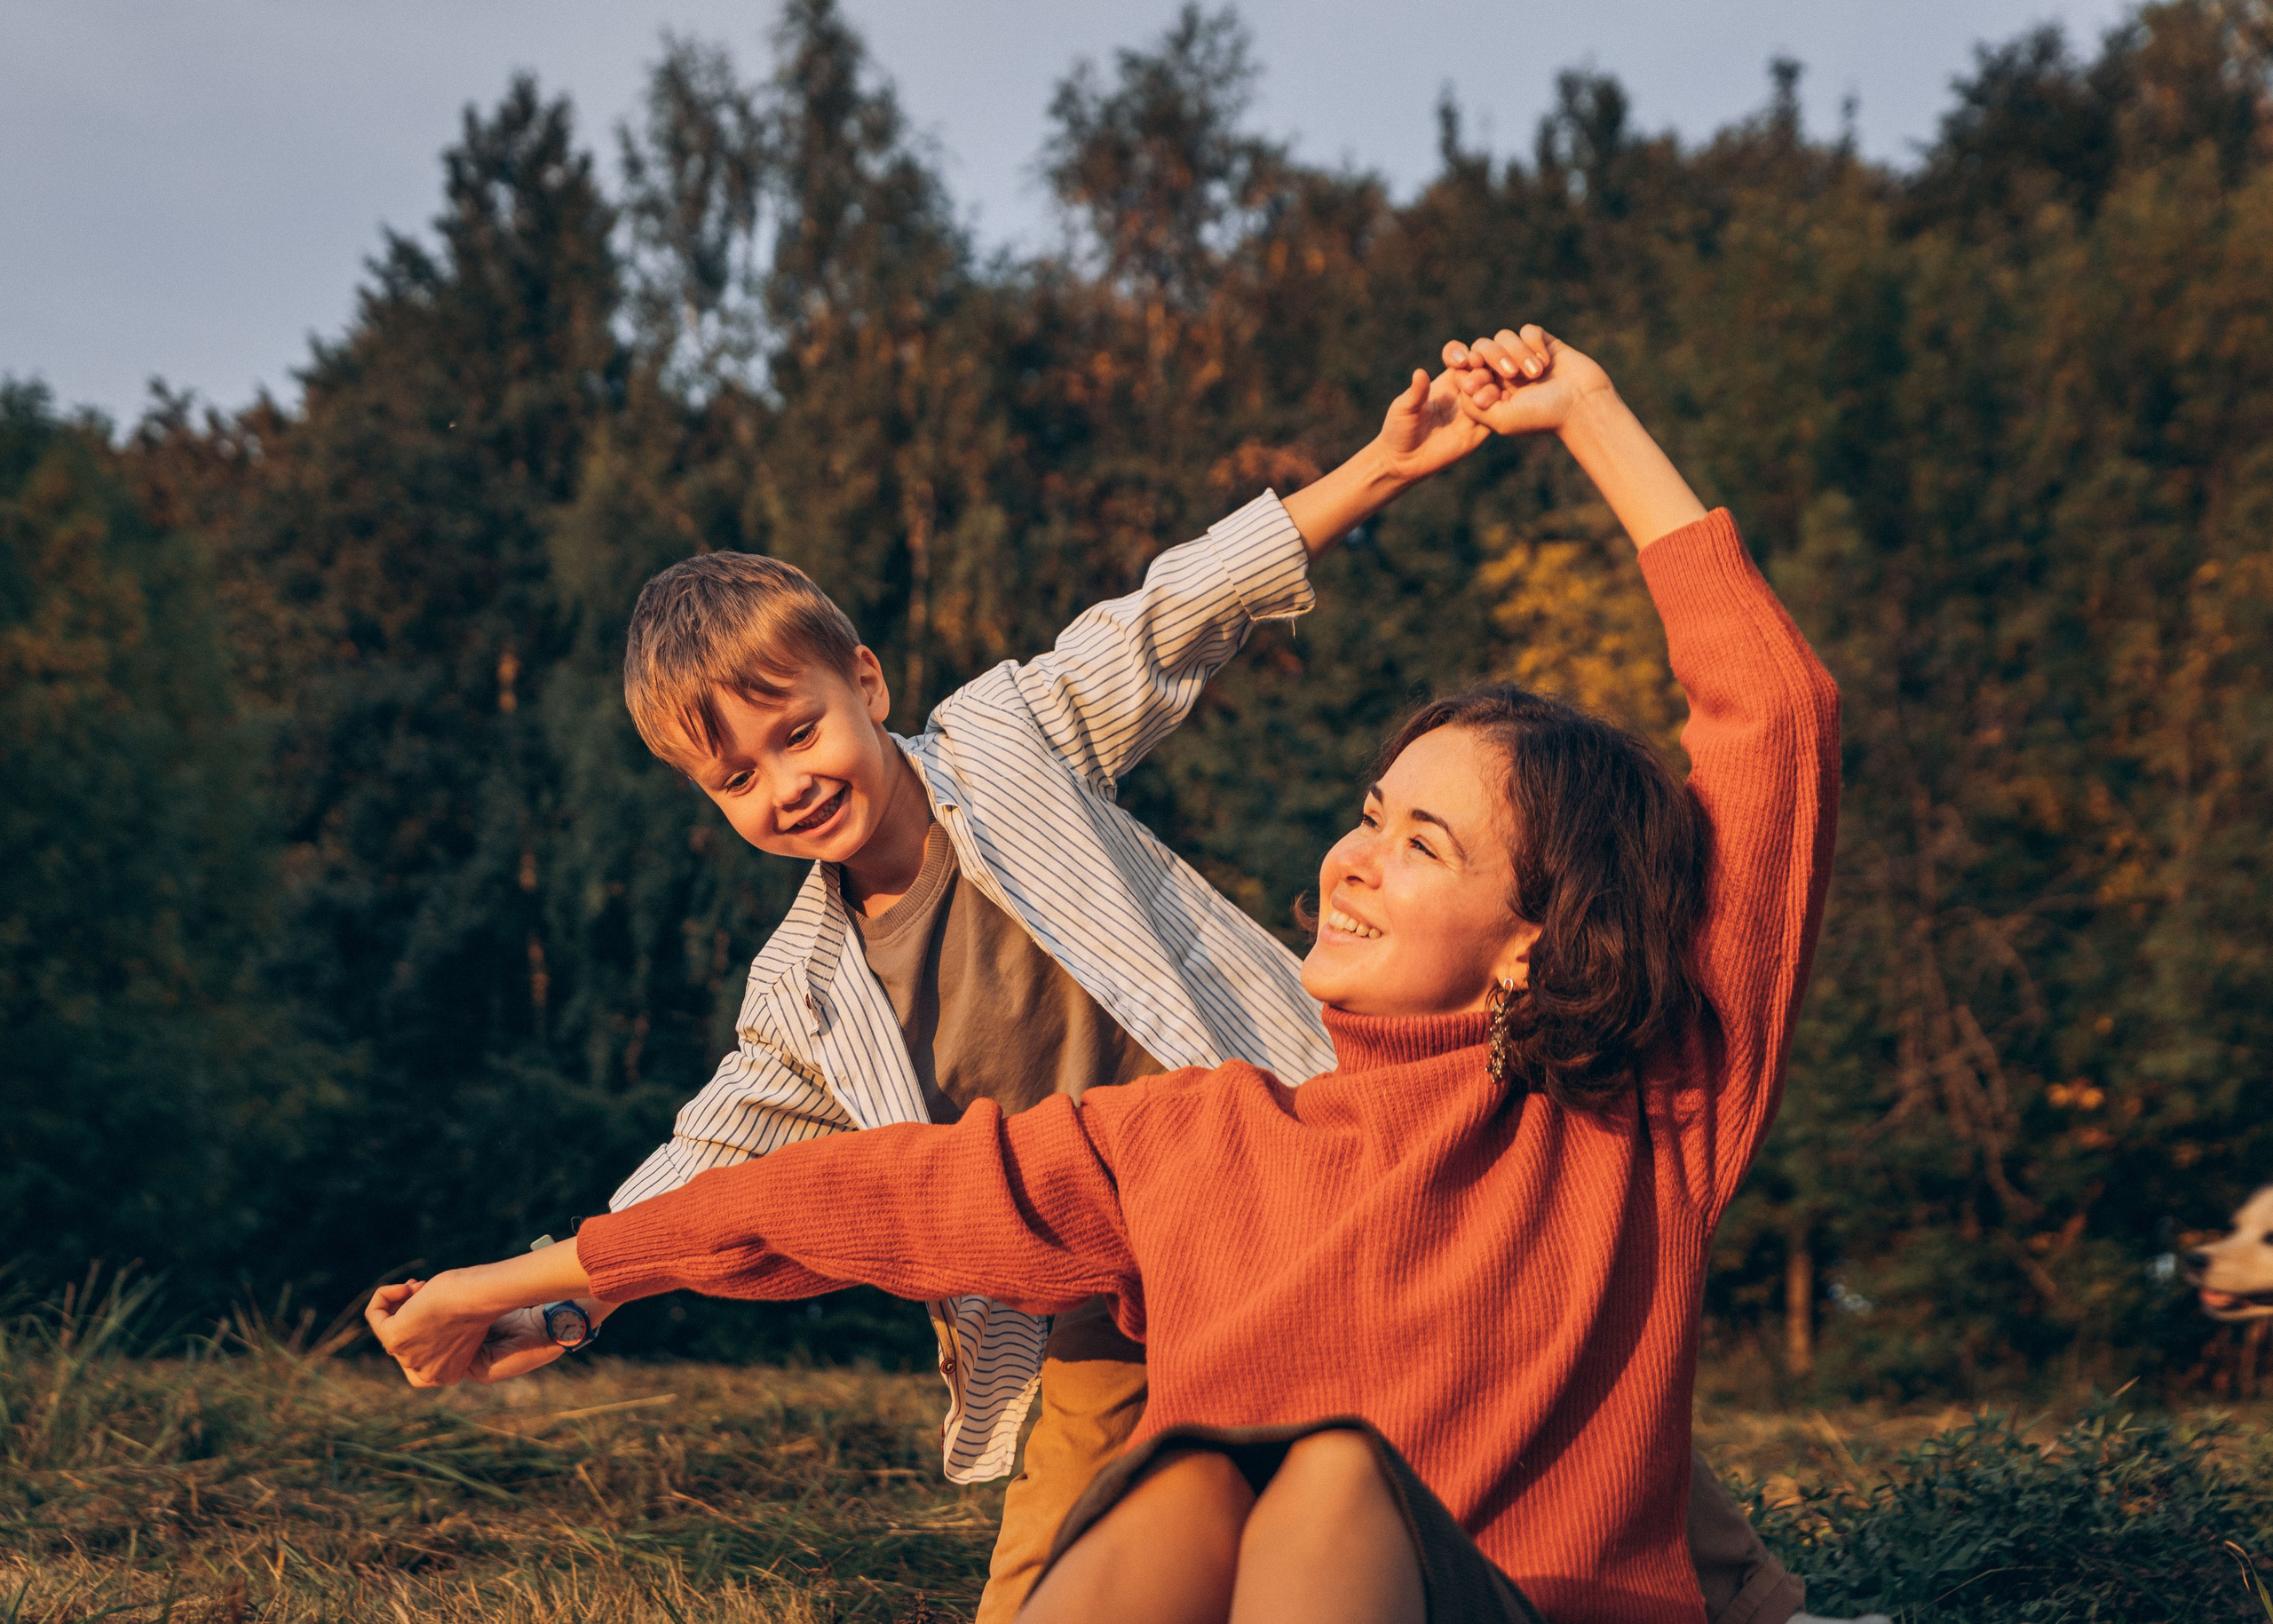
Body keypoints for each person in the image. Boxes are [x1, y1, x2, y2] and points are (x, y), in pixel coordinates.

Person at [369, 324, 1842, 1624]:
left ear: (867, 683)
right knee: (1173, 1501)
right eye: (733, 777)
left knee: (1515, 1385)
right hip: (1104, 1259)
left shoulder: (1007, 745)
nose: (783, 782)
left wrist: (1415, 458)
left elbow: (1178, 611)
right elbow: (770, 1180)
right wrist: (560, 1294)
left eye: (796, 732)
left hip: (1298, 1166)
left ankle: (1750, 1599)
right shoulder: (824, 1000)